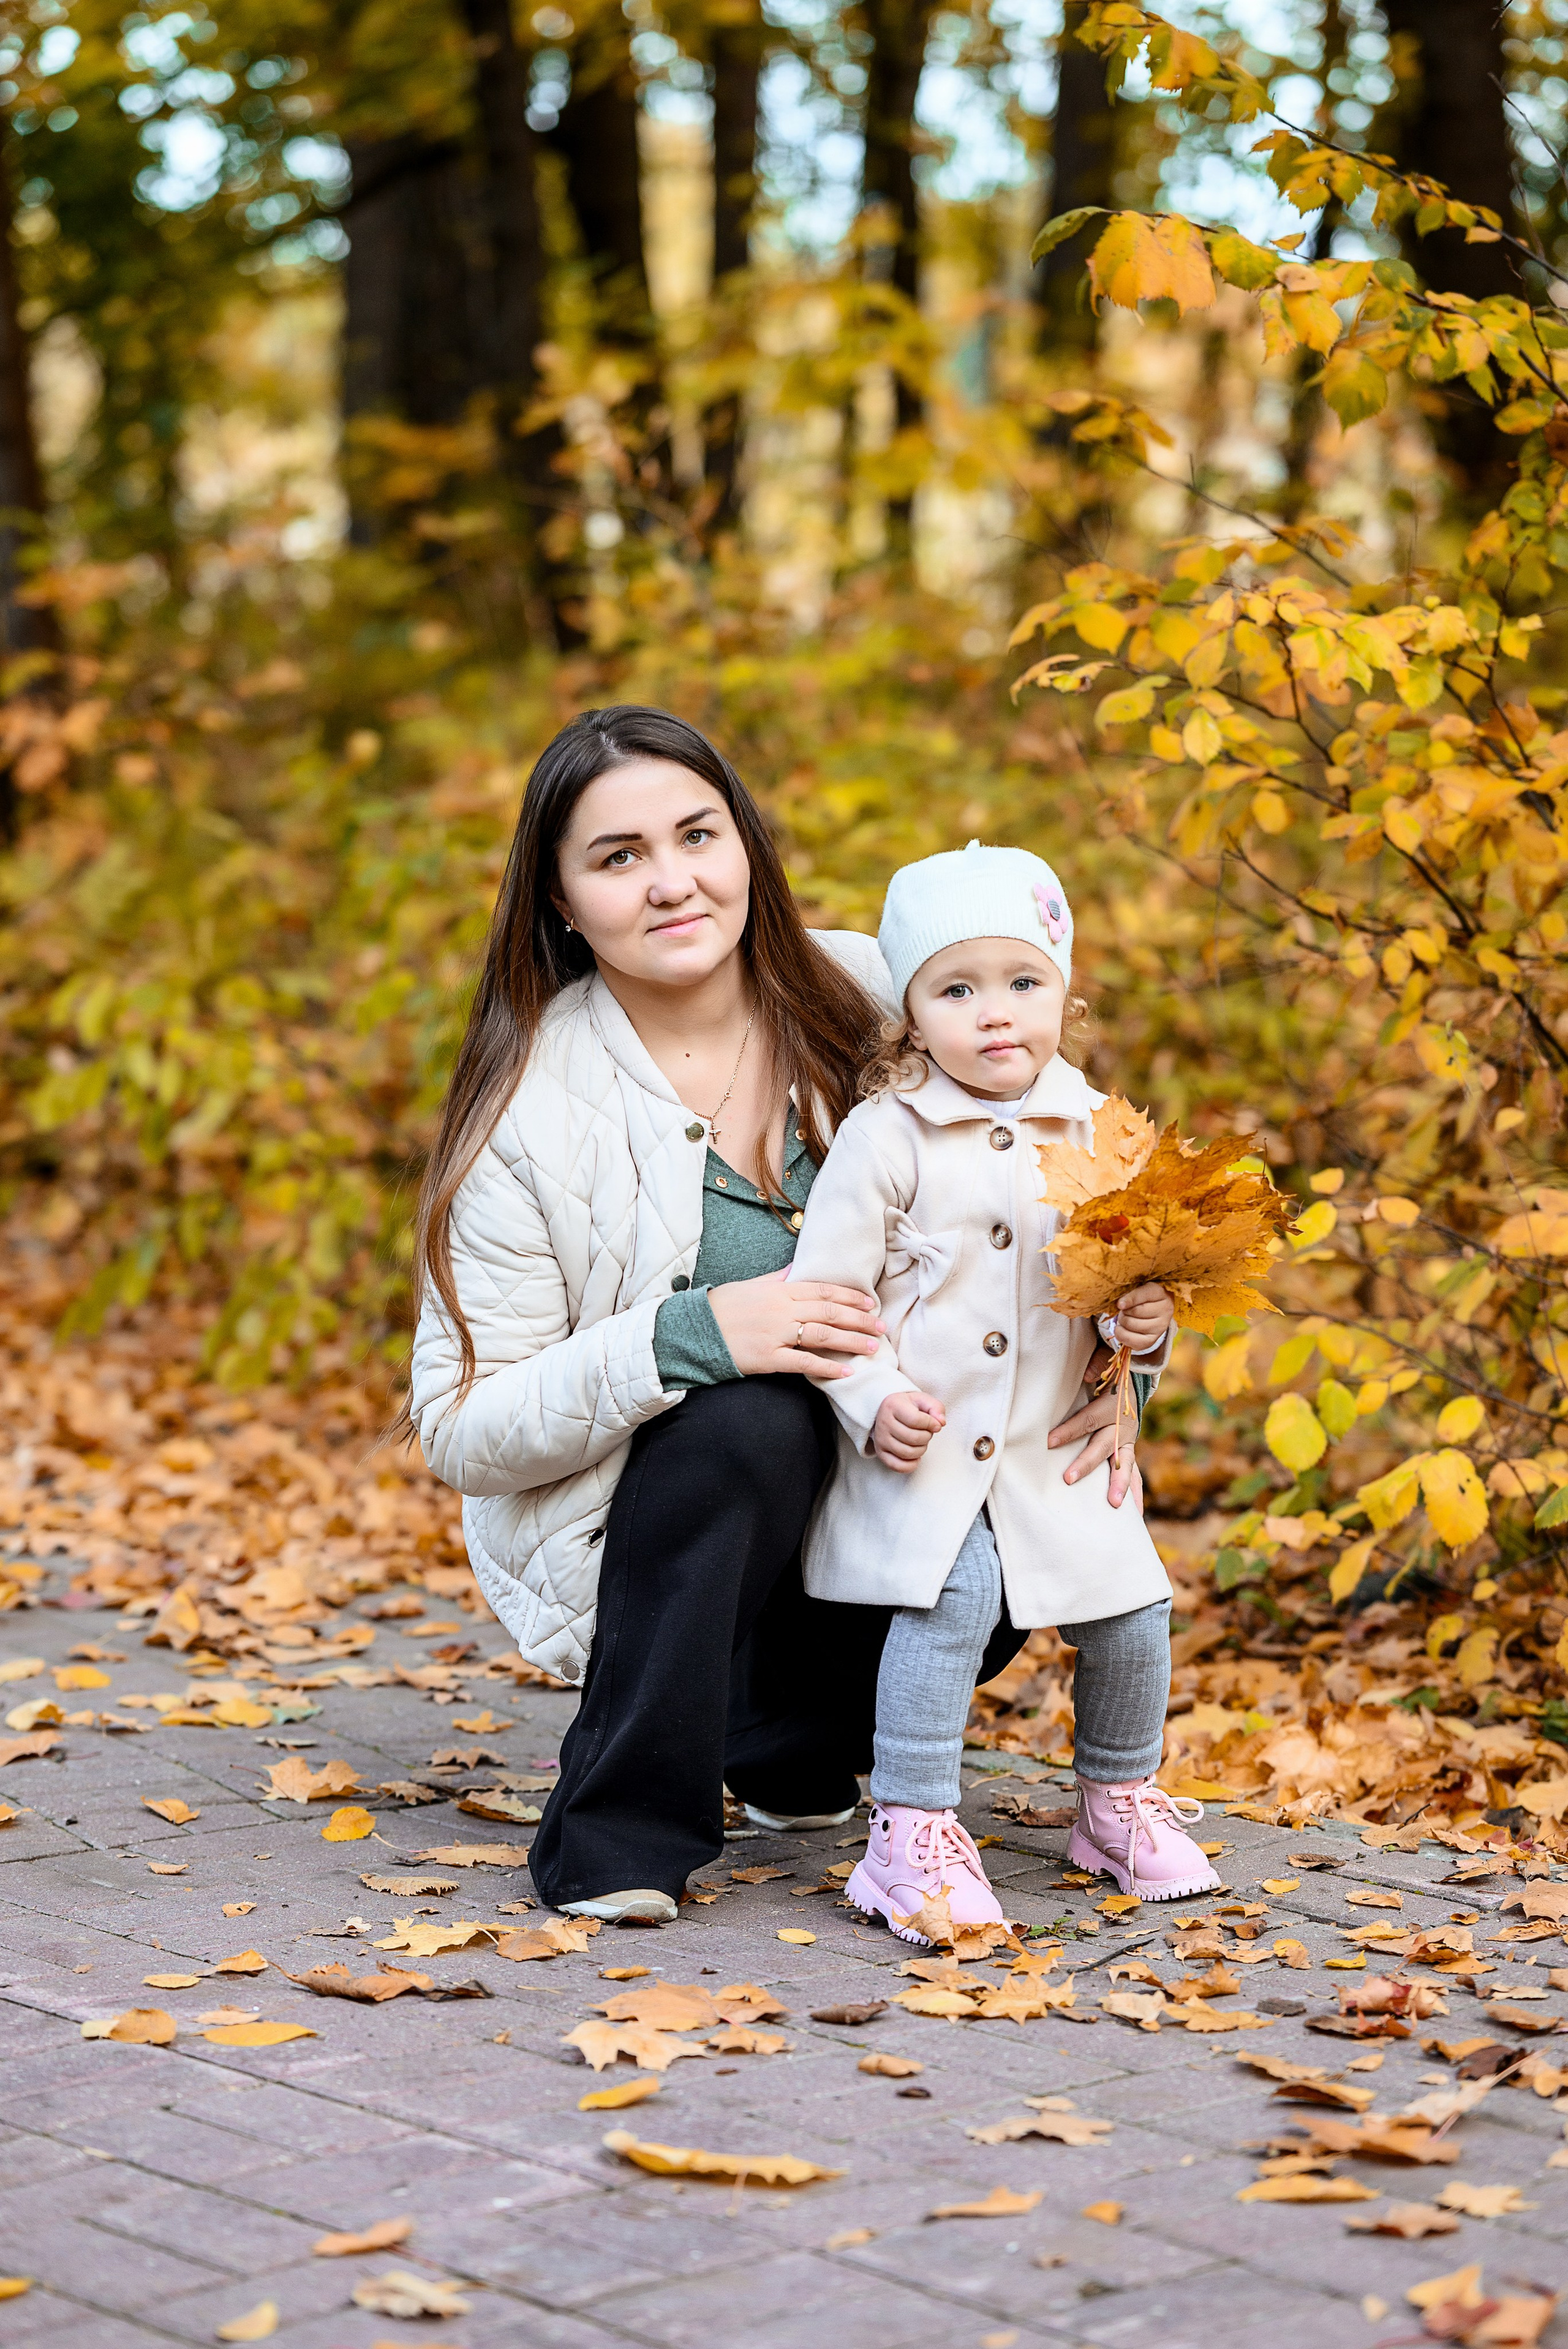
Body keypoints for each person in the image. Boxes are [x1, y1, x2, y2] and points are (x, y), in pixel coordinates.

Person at [409, 714, 1154, 1925]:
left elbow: (1047, 1204)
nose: (671, 881)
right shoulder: (529, 1109)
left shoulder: (875, 988)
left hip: (892, 1510)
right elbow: (459, 1426)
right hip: (666, 1552)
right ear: (559, 901)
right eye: (617, 857)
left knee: (986, 1480)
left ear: (744, 844)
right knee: (755, 1416)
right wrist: (693, 1333)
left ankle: (785, 1745)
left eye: (698, 835)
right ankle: (618, 1829)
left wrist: (1122, 1354)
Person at [790, 840, 1221, 1942]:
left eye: (1024, 983)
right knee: (955, 1600)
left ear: (1064, 993)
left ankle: (1116, 1798)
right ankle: (910, 1832)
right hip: (927, 1449)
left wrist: (1142, 1336)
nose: (996, 1014)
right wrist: (871, 1398)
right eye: (958, 988)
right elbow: (827, 1299)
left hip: (1051, 1446)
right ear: (911, 1013)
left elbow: (1132, 1289)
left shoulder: (1101, 1134)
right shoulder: (886, 1138)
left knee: (1133, 1607)